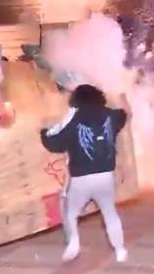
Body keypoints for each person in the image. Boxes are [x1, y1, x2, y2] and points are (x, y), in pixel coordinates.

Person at [40, 84, 129, 263]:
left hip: (81, 178)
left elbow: (55, 143)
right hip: (105, 176)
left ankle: (73, 244)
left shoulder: (73, 118)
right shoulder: (110, 115)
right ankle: (120, 250)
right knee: (110, 213)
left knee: (70, 213)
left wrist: (43, 133)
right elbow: (122, 115)